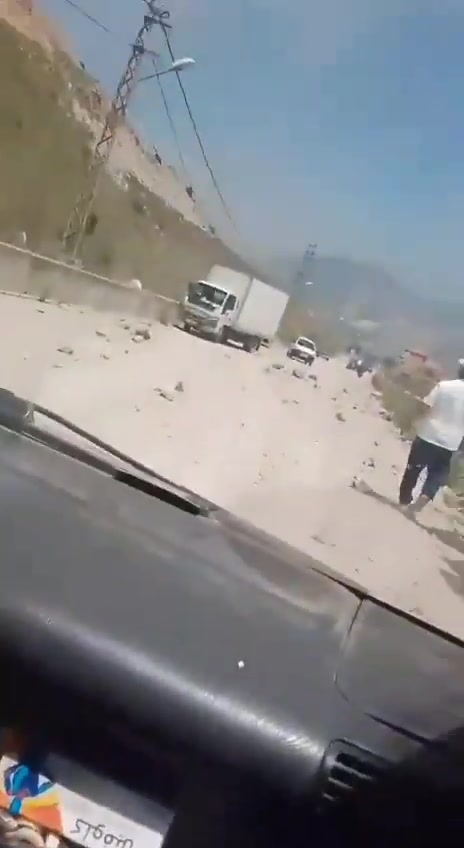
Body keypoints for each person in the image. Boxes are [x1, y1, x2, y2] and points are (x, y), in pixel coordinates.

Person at [399, 359, 464, 513]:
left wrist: (415, 423)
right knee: (437, 474)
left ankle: (404, 502)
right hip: (450, 443)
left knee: (413, 469)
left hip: (429, 434)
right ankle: (425, 497)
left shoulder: (444, 386)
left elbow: (426, 406)